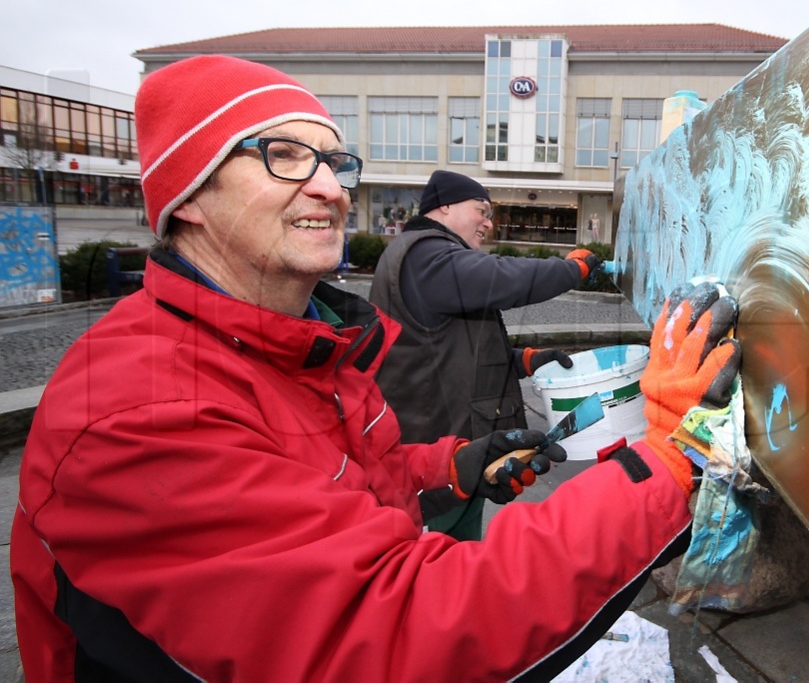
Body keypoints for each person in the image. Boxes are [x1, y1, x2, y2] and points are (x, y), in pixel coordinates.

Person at [9, 54, 741, 682]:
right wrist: (671, 462)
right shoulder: (141, 409)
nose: (330, 186)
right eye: (282, 156)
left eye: (333, 161)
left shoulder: (302, 343)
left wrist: (452, 466)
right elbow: (398, 634)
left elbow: (352, 477)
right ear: (190, 194)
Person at [369, 169, 600, 539]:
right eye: (481, 210)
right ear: (444, 206)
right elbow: (500, 277)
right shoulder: (422, 253)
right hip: (430, 456)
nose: (489, 223)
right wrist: (570, 270)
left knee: (460, 547)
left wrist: (521, 360)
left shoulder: (430, 257)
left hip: (454, 452)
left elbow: (449, 348)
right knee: (437, 568)